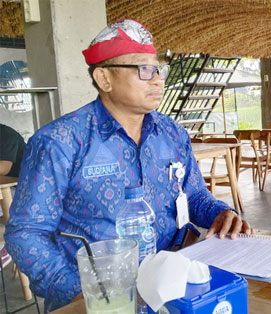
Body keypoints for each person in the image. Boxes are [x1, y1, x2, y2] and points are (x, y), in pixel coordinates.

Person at [4, 19, 252, 312]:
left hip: (174, 290)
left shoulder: (172, 134)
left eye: (159, 69)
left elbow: (194, 195)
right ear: (104, 78)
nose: (158, 79)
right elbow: (27, 233)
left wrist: (221, 213)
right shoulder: (61, 141)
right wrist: (81, 294)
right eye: (144, 70)